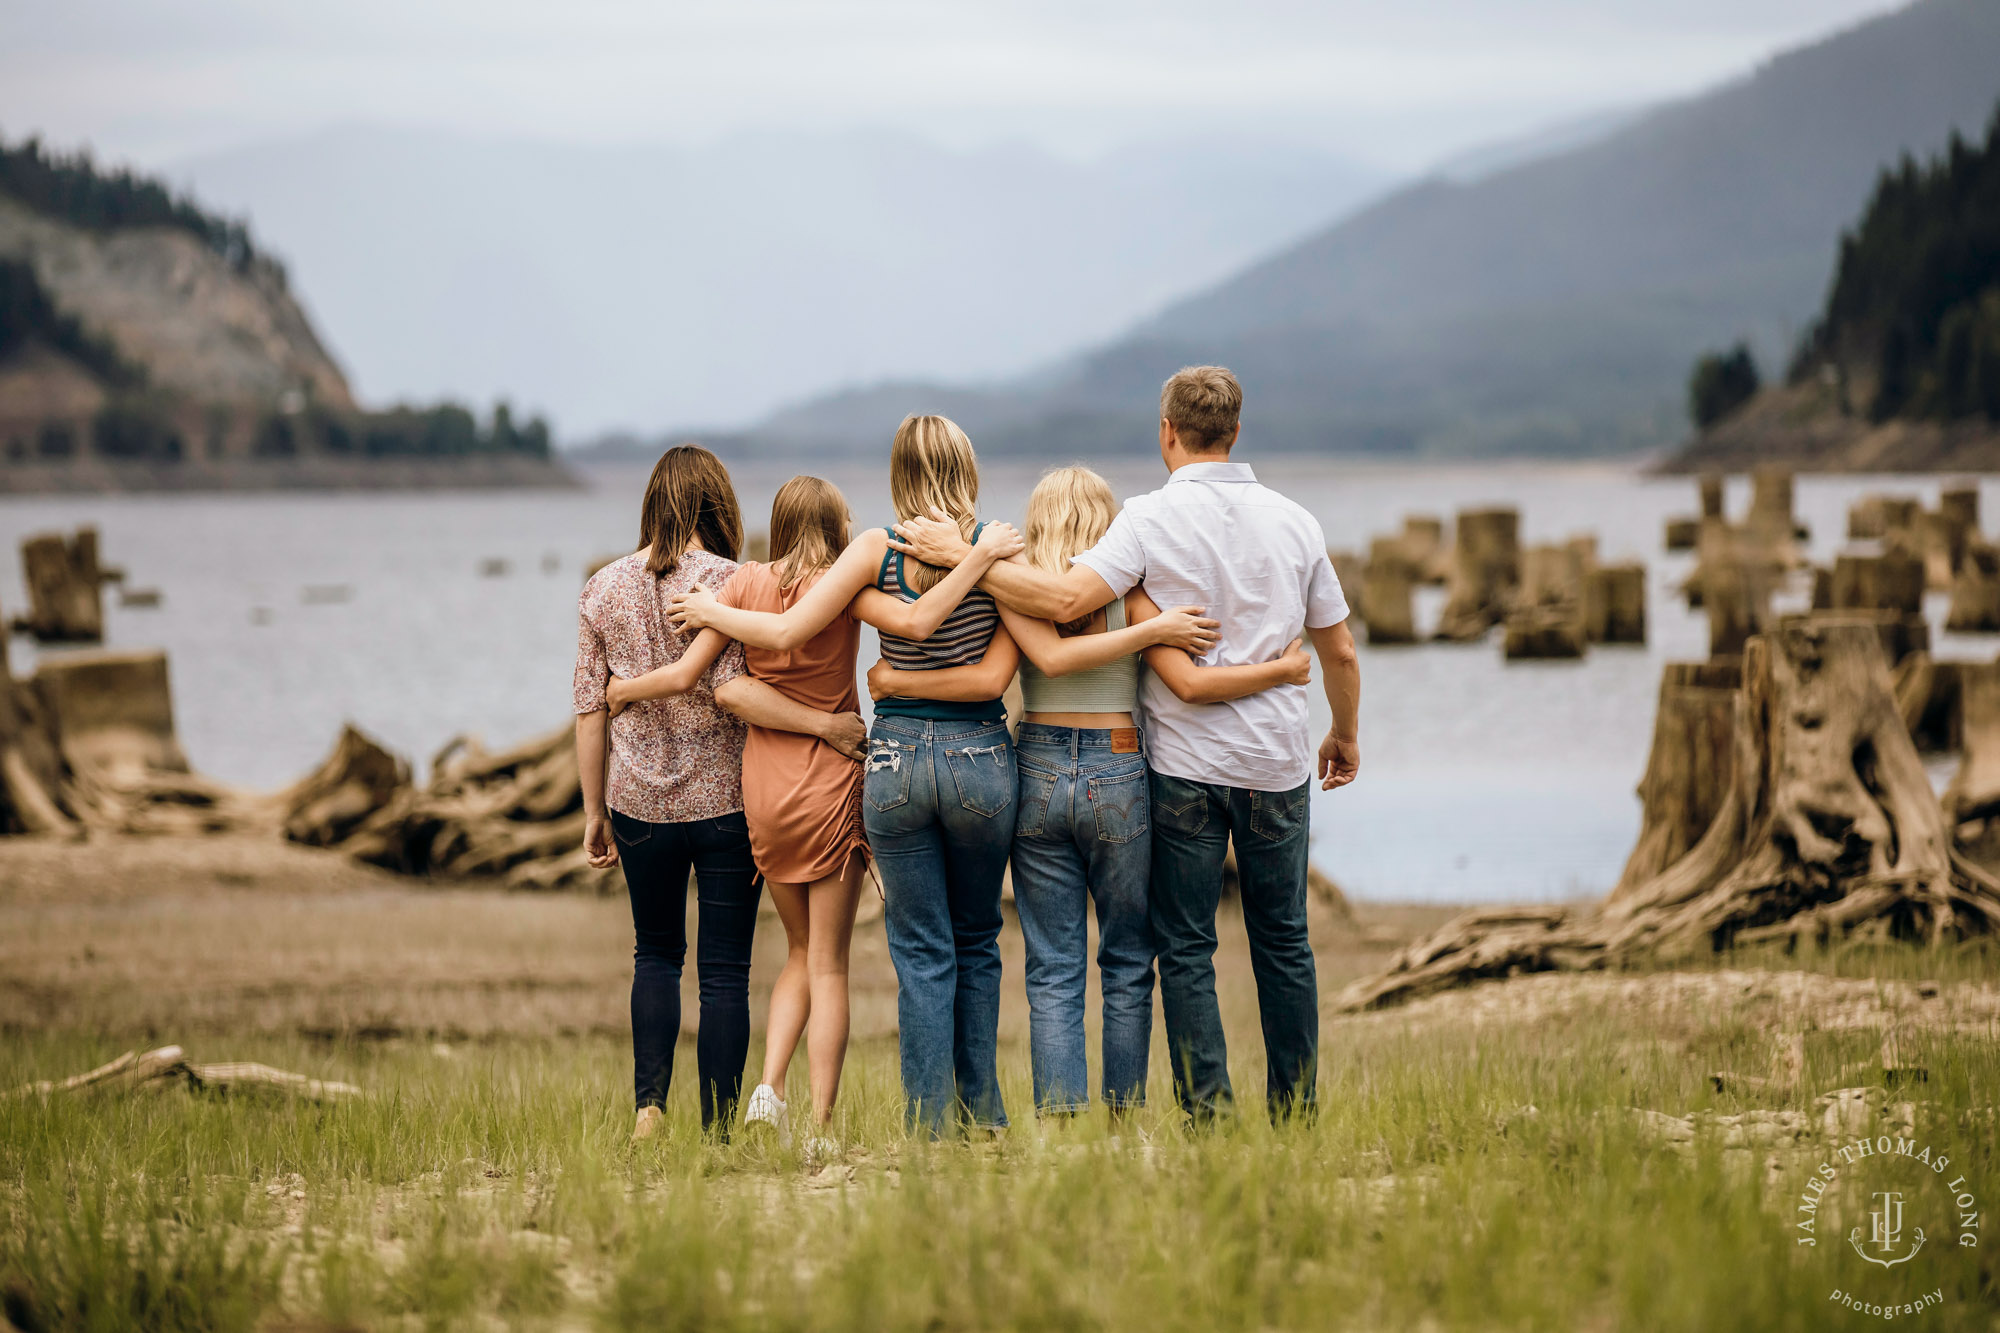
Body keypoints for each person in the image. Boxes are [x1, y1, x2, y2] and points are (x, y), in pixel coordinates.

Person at [889, 368, 1362, 1124]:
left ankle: (1156, 1115)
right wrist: (1328, 716)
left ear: (1167, 431)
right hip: (1210, 764)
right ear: (1237, 431)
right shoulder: (1276, 529)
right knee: (1248, 944)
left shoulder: (1121, 537)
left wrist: (959, 565)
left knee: (1125, 954)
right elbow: (1322, 654)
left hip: (1117, 768)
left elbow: (1047, 623)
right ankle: (1243, 1112)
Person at [665, 416, 1026, 1137]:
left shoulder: (867, 552)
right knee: (958, 940)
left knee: (897, 949)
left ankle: (887, 1114)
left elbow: (782, 640)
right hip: (930, 764)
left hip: (843, 773)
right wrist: (981, 559)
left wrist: (713, 608)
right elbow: (960, 649)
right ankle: (951, 1116)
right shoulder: (986, 547)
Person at [574, 445, 867, 1144]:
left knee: (654, 954)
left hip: (639, 801)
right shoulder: (731, 579)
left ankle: (650, 1107)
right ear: (719, 506)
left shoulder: (601, 588)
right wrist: (828, 726)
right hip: (727, 801)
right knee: (726, 970)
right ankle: (717, 1132)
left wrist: (593, 810)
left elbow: (590, 708)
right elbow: (739, 688)